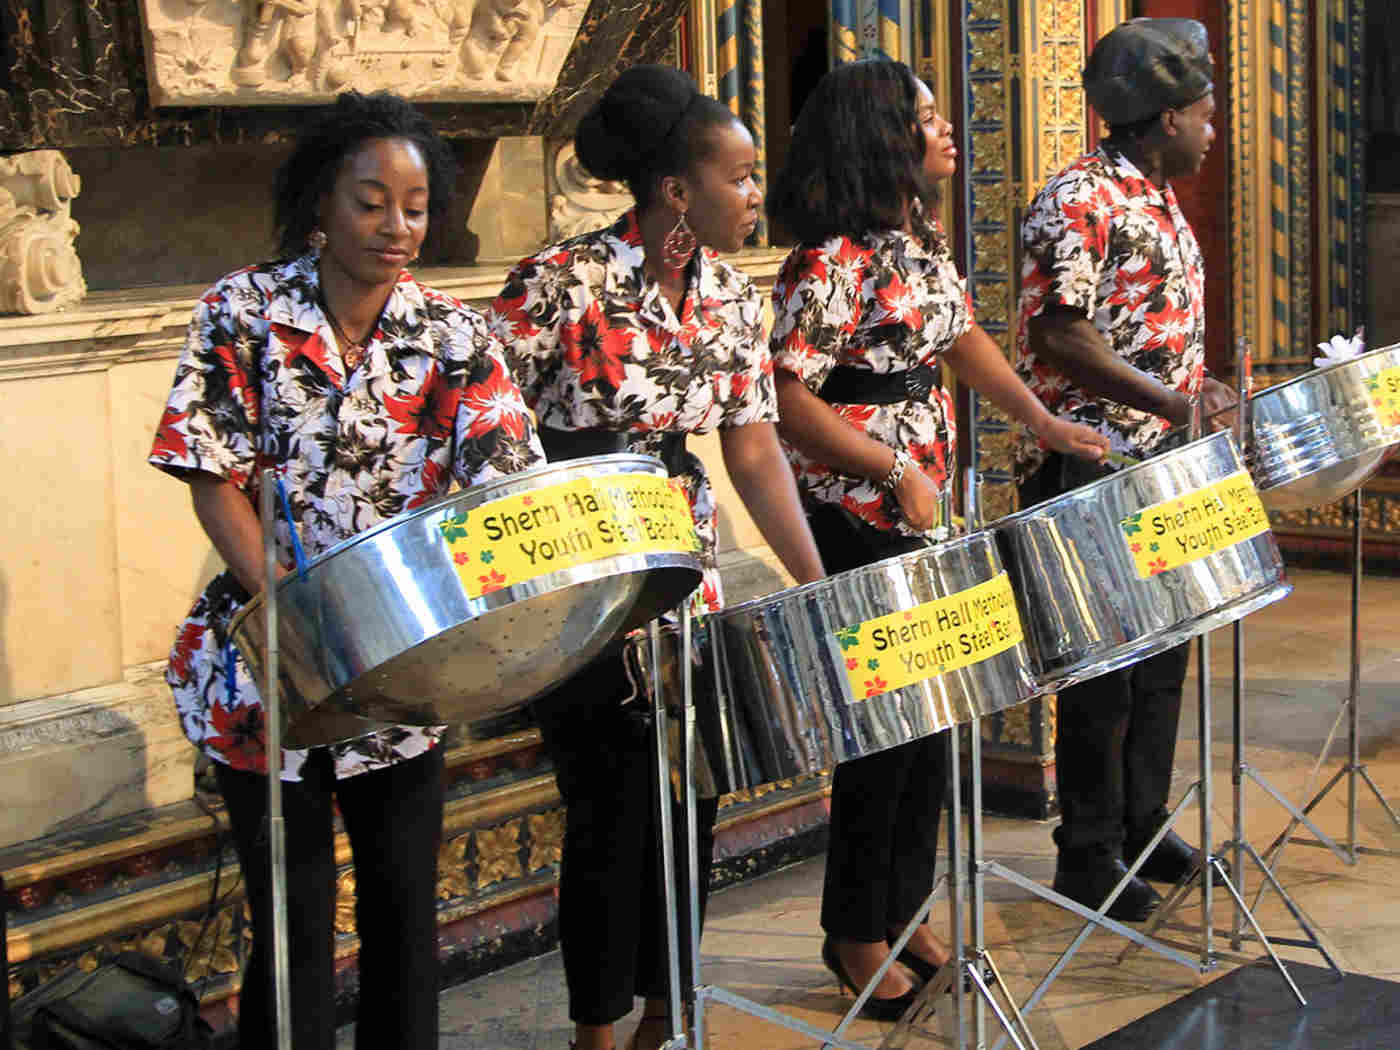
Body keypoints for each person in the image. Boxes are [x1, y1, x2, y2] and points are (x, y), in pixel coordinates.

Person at [149, 91, 543, 1050]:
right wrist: (291, 607)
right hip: (267, 666)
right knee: (290, 922)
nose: (397, 226)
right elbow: (211, 475)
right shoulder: (241, 310)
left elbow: (499, 492)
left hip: (405, 673)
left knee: (407, 917)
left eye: (414, 205)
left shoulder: (456, 338)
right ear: (322, 203)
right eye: (372, 202)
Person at [485, 65, 826, 1050]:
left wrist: (819, 584)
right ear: (676, 189)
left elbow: (753, 448)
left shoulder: (730, 294)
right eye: (740, 174)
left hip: (690, 576)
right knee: (604, 812)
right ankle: (597, 1025)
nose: (754, 193)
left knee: (694, 801)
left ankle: (672, 1016)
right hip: (580, 578)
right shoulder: (558, 282)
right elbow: (483, 428)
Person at [765, 58, 1109, 1019]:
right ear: (884, 137)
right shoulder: (827, 260)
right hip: (858, 511)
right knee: (881, 735)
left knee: (936, 720)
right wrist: (891, 470)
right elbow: (788, 397)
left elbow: (961, 343)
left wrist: (1039, 421)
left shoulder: (912, 245)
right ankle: (854, 930)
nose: (946, 127)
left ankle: (906, 905)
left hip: (923, 509)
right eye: (925, 116)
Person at [1013, 18, 1236, 921]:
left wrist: (1200, 388)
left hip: (1165, 465)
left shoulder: (1155, 193)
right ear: (1166, 116)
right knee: (1103, 673)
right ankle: (1088, 852)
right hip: (1094, 464)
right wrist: (1176, 402)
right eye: (1206, 111)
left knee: (1163, 660)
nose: (1214, 128)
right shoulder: (1078, 199)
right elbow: (1060, 337)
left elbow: (1146, 329)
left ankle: (1146, 825)